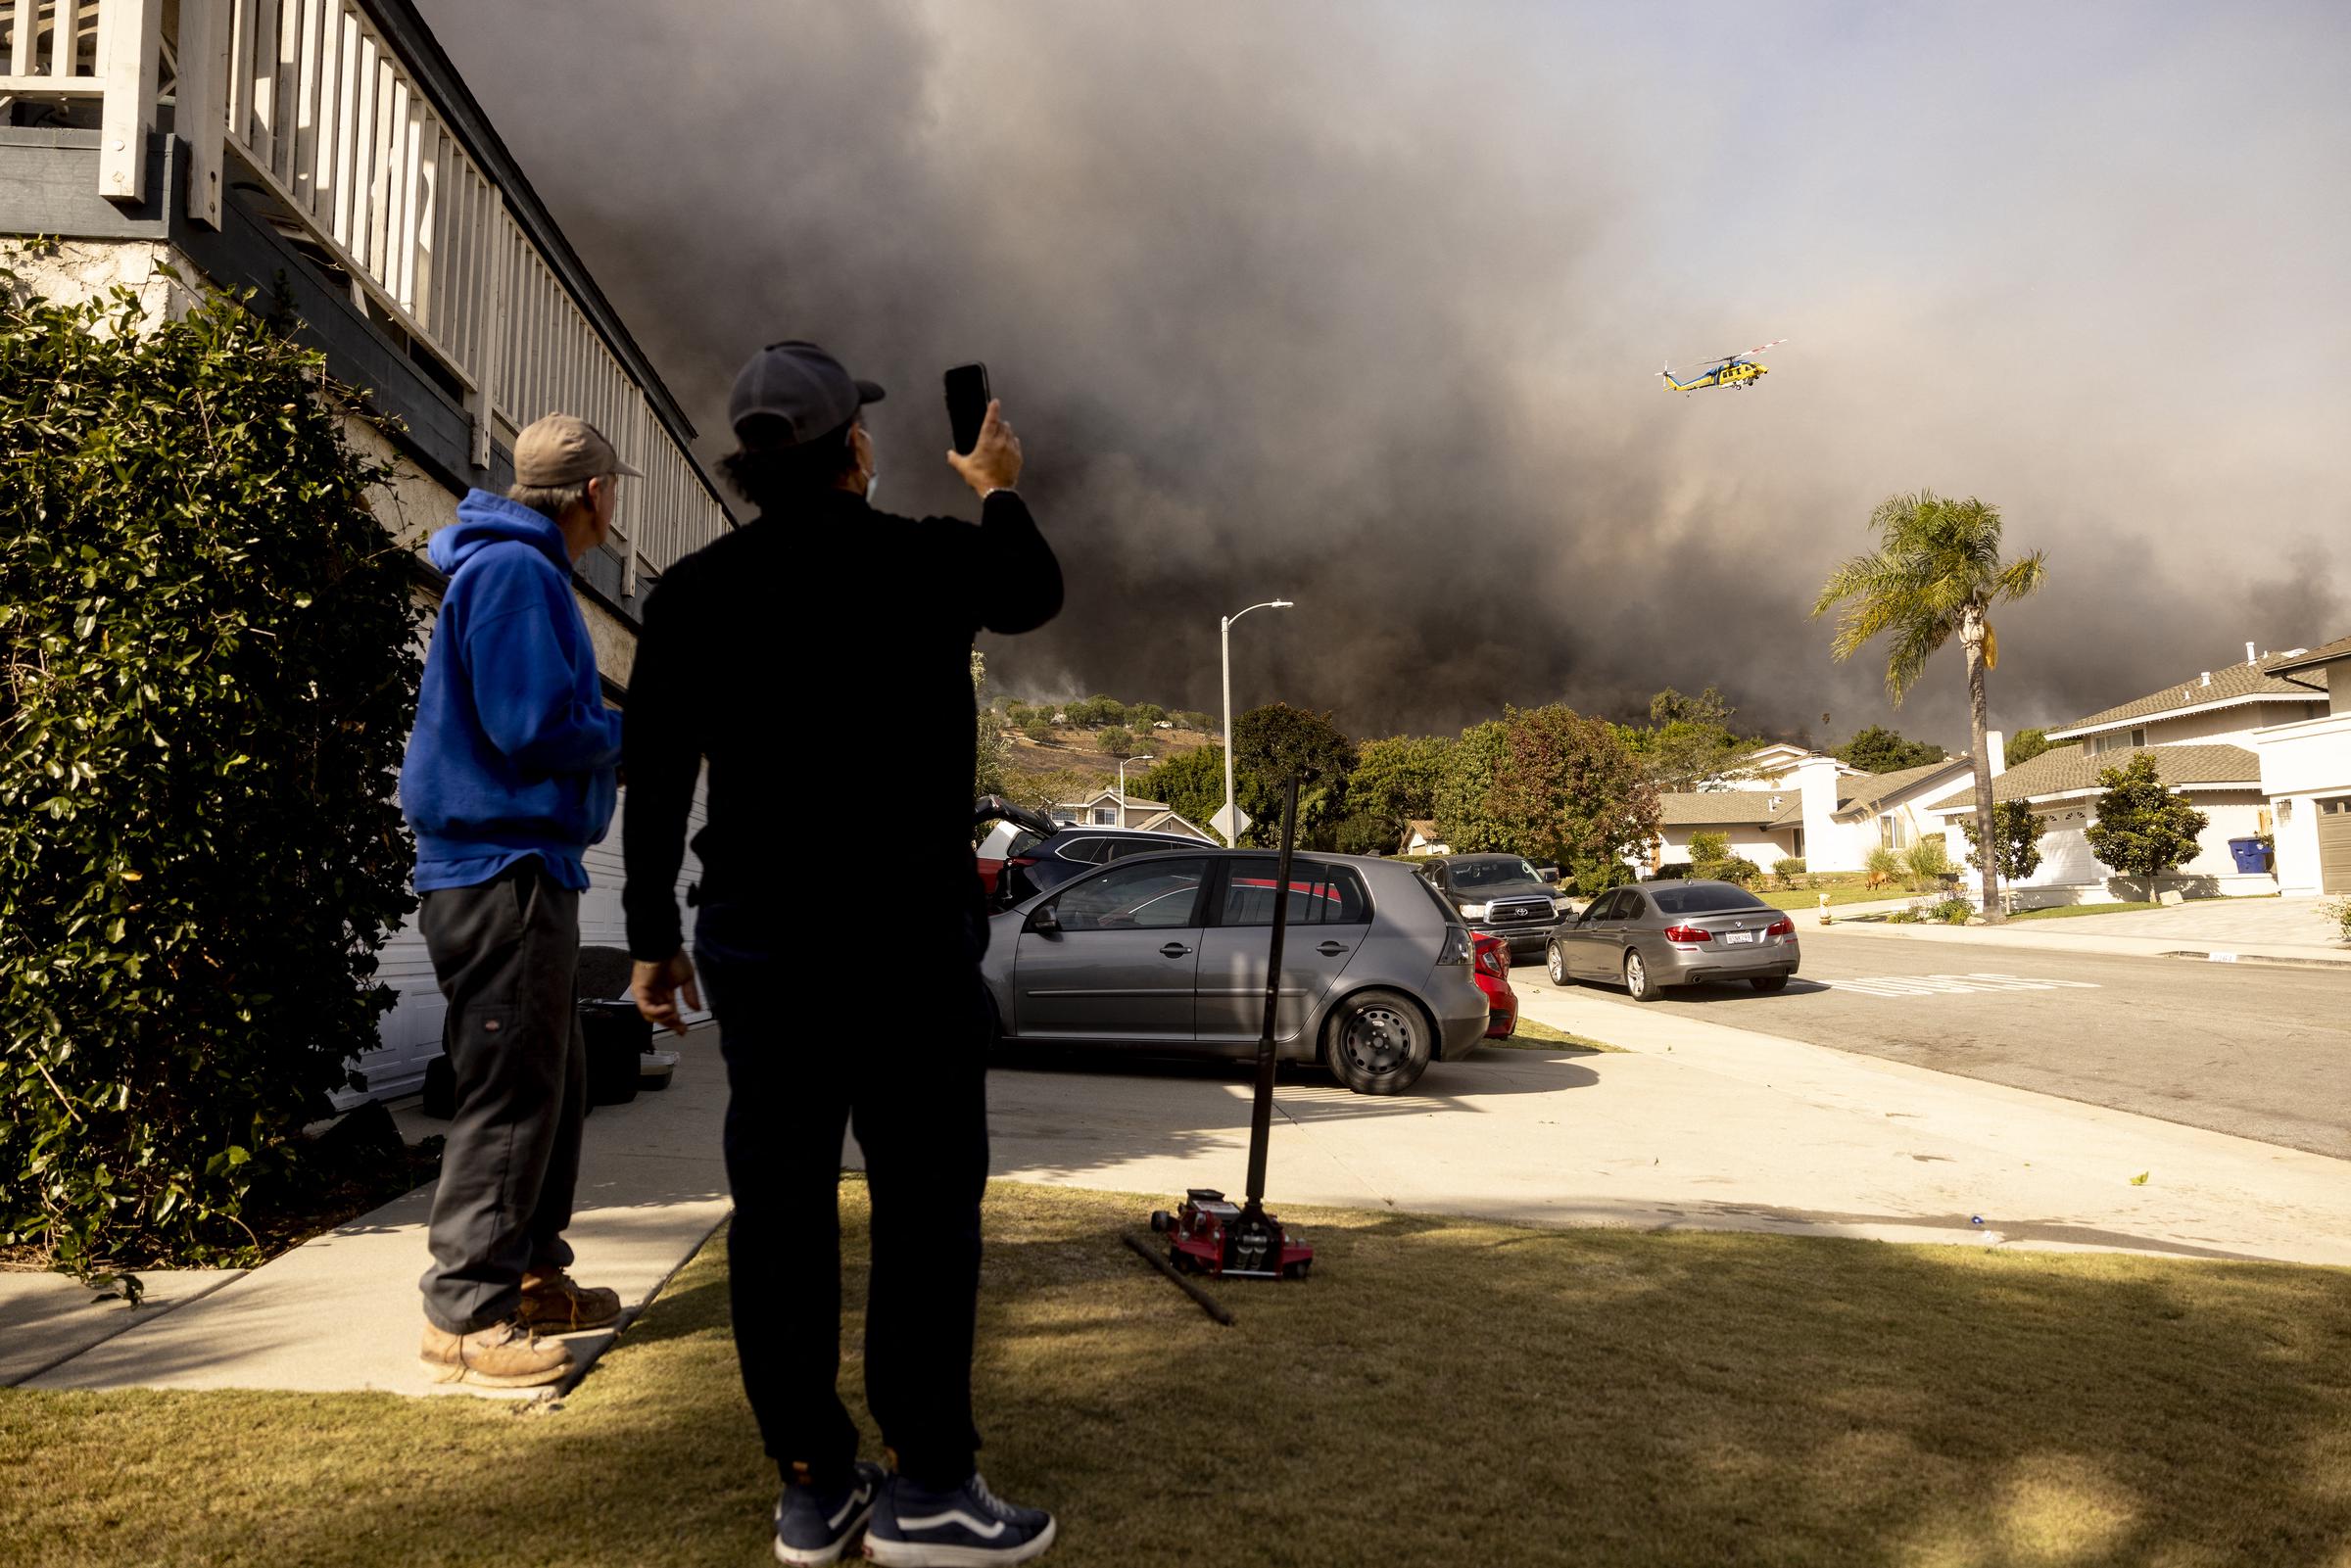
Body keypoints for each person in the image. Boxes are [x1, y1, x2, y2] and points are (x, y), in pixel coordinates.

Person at [623, 341, 1062, 1566]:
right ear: (855, 451)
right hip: (908, 940)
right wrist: (998, 480)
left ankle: (815, 1482)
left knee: (779, 1209)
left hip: (761, 942)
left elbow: (651, 782)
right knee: (925, 1205)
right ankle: (930, 1483)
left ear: (755, 463)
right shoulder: (922, 559)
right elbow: (1032, 588)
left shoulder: (692, 595)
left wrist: (653, 939)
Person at [399, 413, 635, 1389]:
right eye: (615, 490)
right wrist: (629, 734)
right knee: (510, 1090)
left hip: (523, 869)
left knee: (554, 1082)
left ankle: (534, 1272)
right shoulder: (514, 574)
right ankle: (465, 1311)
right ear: (593, 495)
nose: (616, 509)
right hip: (503, 874)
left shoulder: (521, 571)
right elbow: (529, 721)